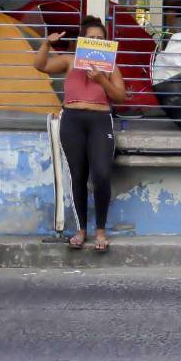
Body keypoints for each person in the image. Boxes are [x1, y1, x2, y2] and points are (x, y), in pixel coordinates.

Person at [33, 15, 127, 252]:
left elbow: (120, 97)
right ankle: (81, 229)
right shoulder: (69, 61)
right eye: (91, 38)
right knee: (78, 176)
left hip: (100, 120)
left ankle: (101, 230)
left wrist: (102, 81)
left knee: (102, 174)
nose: (96, 41)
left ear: (106, 42)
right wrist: (47, 43)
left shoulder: (111, 66)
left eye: (100, 38)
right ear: (83, 40)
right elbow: (40, 65)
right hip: (72, 120)